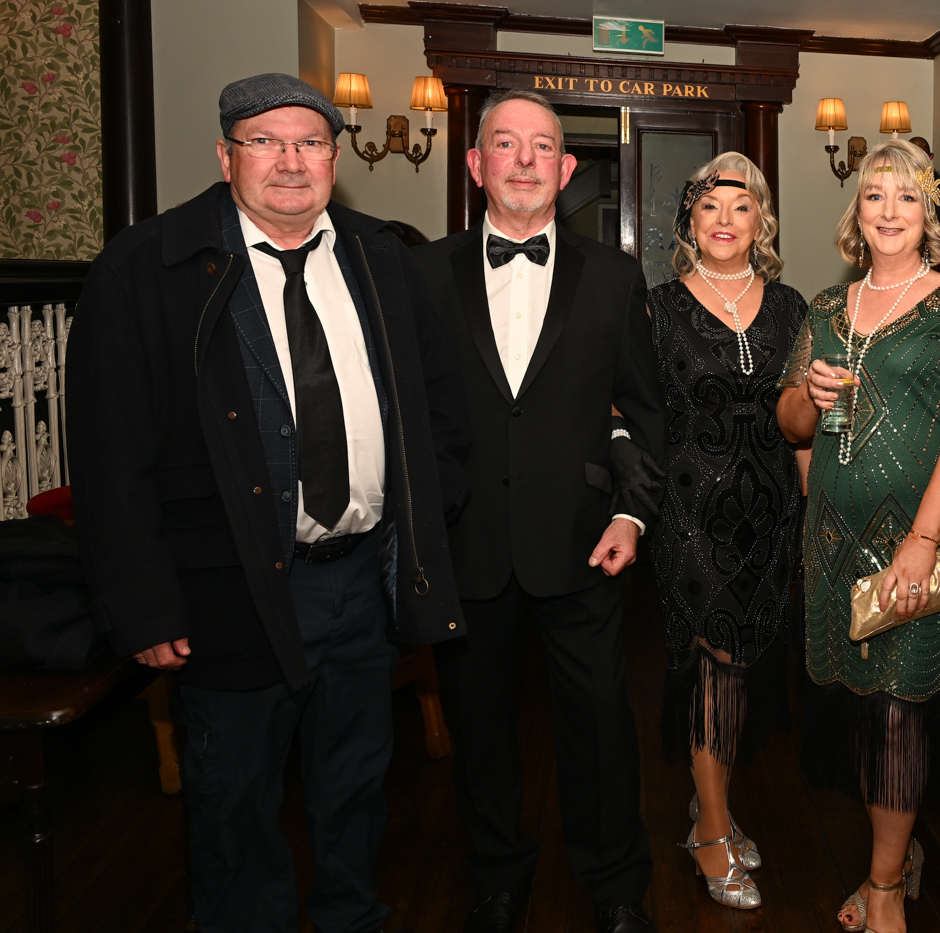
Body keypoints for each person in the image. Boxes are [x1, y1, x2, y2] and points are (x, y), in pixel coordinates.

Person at [66, 74, 472, 933]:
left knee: (355, 785)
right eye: (265, 142)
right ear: (226, 157)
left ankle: (351, 916)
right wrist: (142, 603)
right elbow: (109, 456)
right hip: (226, 590)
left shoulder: (380, 257)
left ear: (334, 159)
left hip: (361, 583)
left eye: (310, 143)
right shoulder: (148, 268)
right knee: (235, 800)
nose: (291, 161)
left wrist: (424, 520)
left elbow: (436, 402)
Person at [413, 89, 665, 933]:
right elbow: (408, 414)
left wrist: (631, 516)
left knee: (600, 725)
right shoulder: (424, 275)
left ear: (566, 168)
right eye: (505, 143)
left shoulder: (615, 278)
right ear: (475, 163)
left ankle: (617, 885)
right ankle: (497, 878)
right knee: (480, 728)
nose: (524, 160)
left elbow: (647, 412)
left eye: (542, 146)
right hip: (466, 542)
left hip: (584, 541)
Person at [776, 138, 940, 933]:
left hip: (921, 541)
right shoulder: (825, 309)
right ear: (857, 213)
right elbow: (790, 425)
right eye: (875, 195)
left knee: (901, 710)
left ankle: (885, 887)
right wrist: (808, 393)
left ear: (929, 213)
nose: (890, 210)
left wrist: (923, 539)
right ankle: (897, 856)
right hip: (836, 542)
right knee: (867, 712)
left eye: (907, 196)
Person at [649, 152, 806, 910]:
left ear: (760, 221)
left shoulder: (791, 307)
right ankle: (710, 829)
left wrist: (812, 506)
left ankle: (711, 799)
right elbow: (629, 409)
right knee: (712, 659)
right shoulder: (656, 307)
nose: (724, 219)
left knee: (741, 664)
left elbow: (805, 421)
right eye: (710, 205)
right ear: (691, 217)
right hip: (687, 511)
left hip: (770, 513)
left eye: (740, 207)